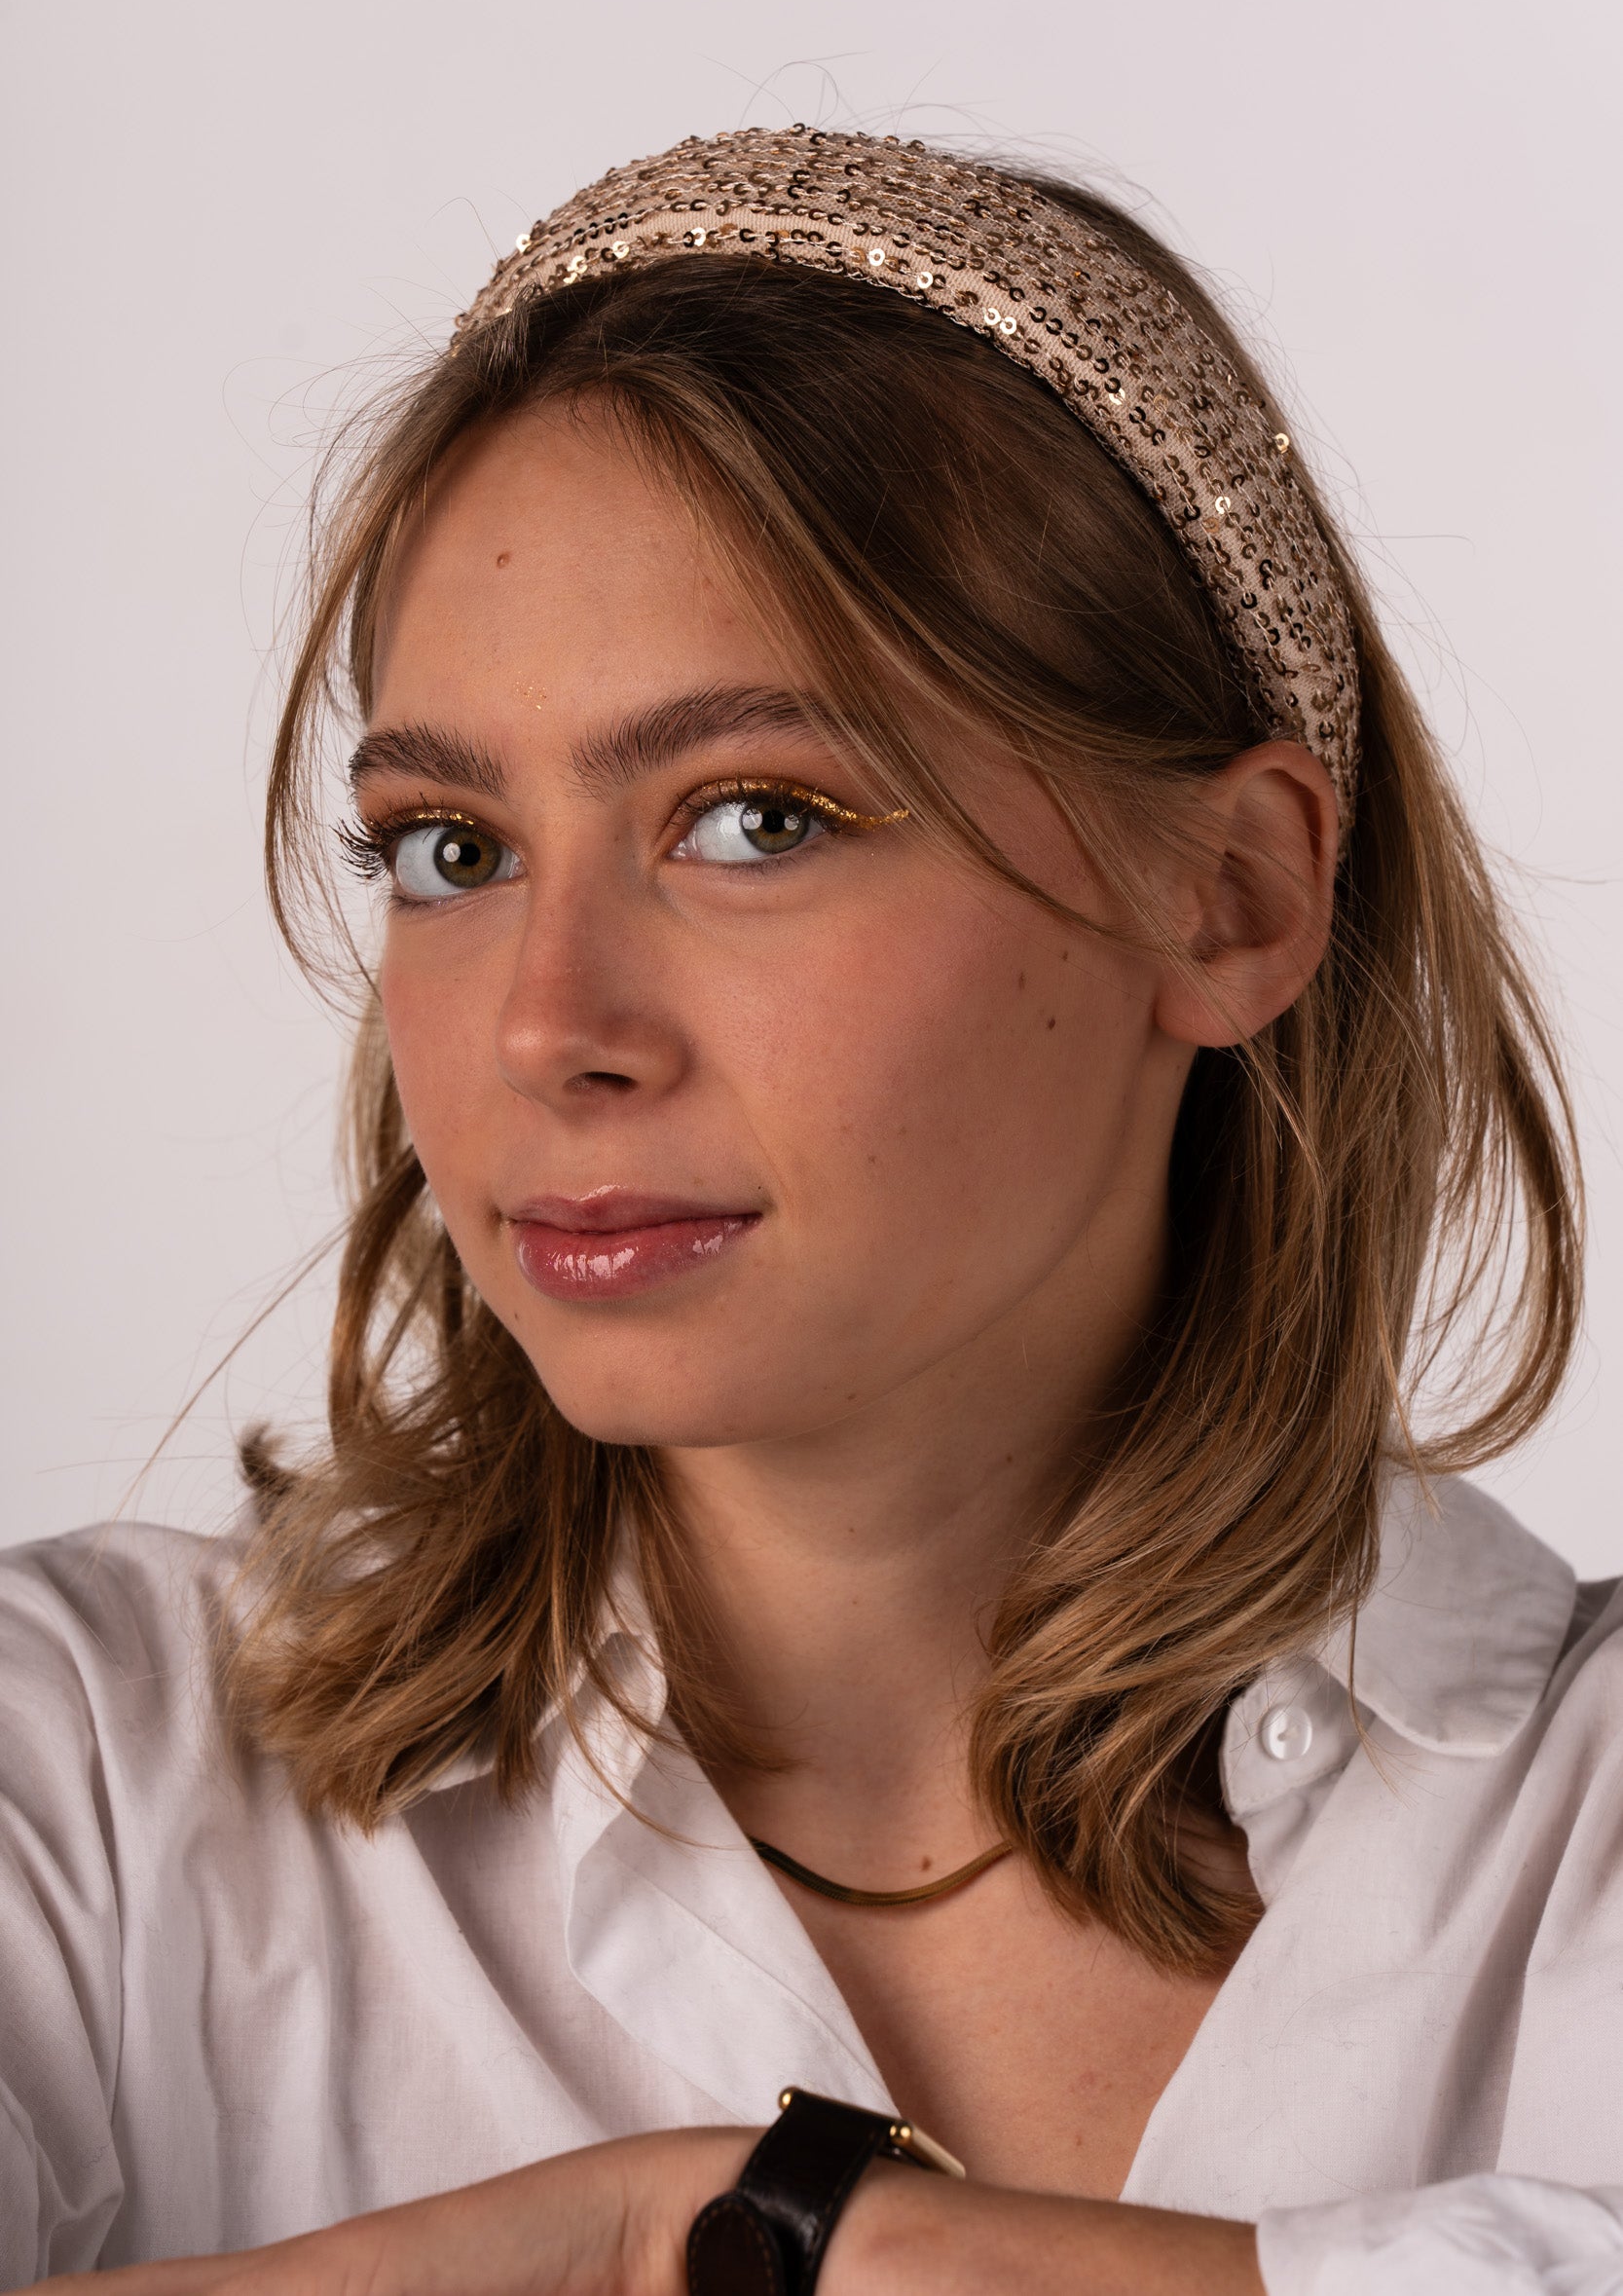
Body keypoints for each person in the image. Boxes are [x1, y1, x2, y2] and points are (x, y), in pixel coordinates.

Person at [3, 125, 1618, 2296]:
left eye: (754, 818)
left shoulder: (1580, 1836)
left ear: (1229, 898)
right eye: (452, 849)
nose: (547, 1028)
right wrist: (632, 2239)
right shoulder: (84, 1776)